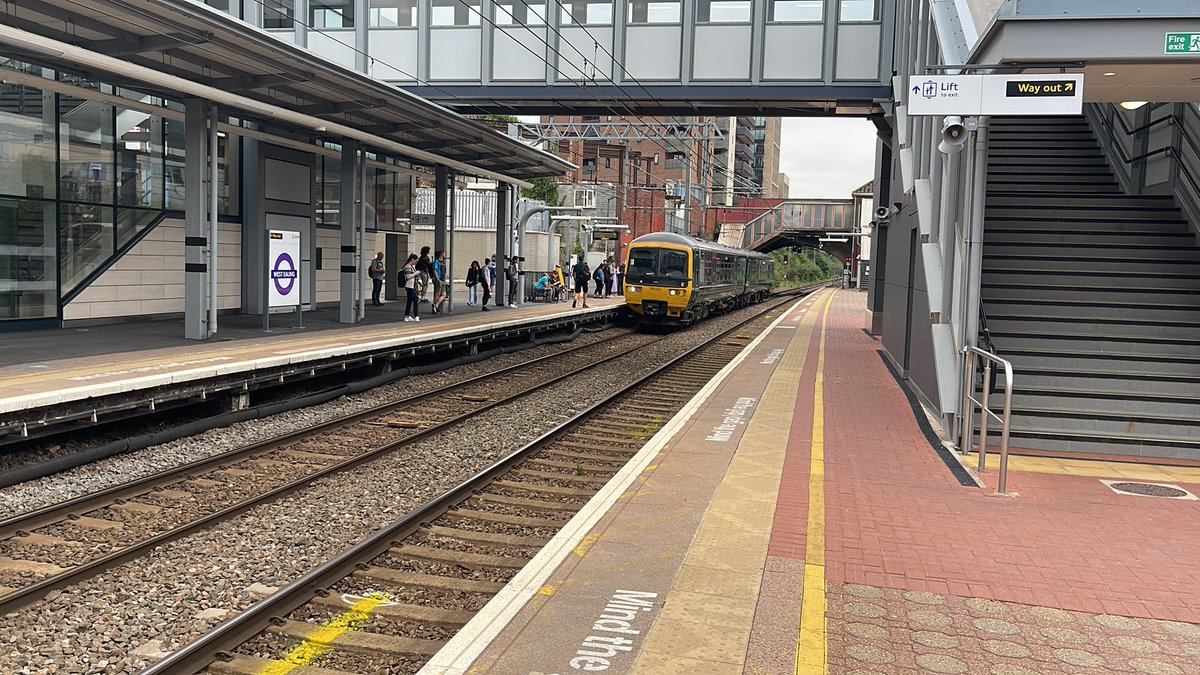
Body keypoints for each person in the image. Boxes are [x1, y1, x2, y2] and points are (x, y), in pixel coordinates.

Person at [399, 253, 420, 322]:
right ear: (412, 259)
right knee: (416, 300)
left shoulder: (410, 266)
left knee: (409, 301)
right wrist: (415, 273)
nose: (416, 262)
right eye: (416, 260)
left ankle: (407, 316)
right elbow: (408, 276)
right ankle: (416, 315)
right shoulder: (408, 266)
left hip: (410, 286)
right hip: (409, 286)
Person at [431, 249, 447, 314]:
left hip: (441, 280)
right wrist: (438, 280)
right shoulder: (437, 262)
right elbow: (435, 270)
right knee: (438, 293)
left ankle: (435, 306)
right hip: (438, 279)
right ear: (442, 254)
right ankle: (435, 306)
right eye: (445, 253)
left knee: (443, 294)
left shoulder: (442, 262)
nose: (446, 255)